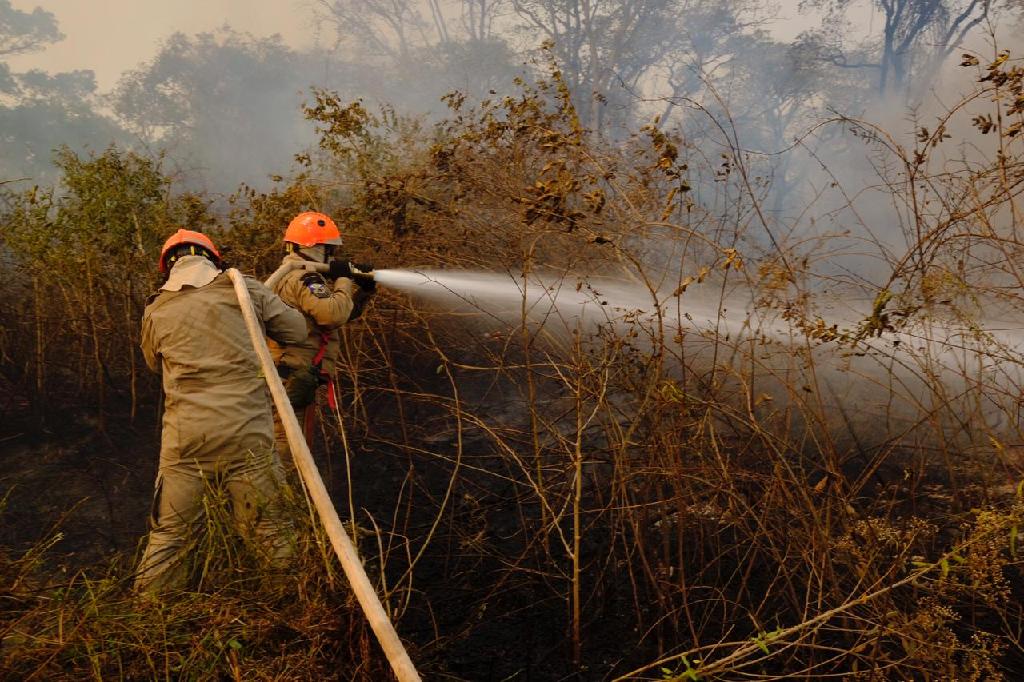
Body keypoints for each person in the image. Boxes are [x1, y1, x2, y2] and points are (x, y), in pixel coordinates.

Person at [135, 228, 307, 593]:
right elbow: (297, 331)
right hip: (247, 437)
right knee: (271, 529)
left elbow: (153, 362)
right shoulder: (244, 289)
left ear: (168, 267)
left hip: (186, 443)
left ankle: (152, 613)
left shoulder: (156, 308)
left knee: (170, 536)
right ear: (214, 258)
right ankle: (291, 603)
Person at [267, 211, 376, 462]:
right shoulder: (305, 278)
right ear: (315, 248)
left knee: (287, 442)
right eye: (330, 249)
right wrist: (343, 278)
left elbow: (336, 315)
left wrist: (364, 292)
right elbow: (332, 315)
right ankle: (284, 486)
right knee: (288, 447)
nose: (333, 256)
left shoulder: (290, 275)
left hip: (290, 375)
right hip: (292, 376)